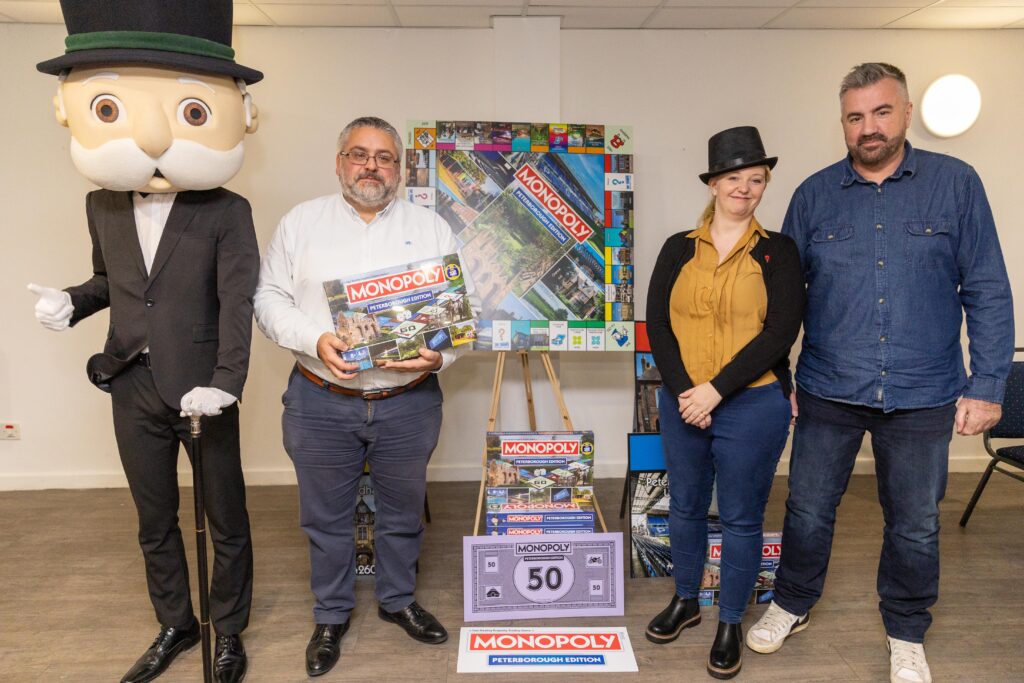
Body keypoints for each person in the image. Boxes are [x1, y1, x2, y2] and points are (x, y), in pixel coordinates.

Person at [746, 63, 1014, 683]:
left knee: (916, 523)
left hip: (925, 392)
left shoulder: (956, 184)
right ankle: (792, 603)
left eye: (881, 112)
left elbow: (989, 289)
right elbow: (783, 301)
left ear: (907, 112)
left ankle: (906, 628)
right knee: (809, 508)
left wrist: (988, 384)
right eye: (855, 116)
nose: (869, 127)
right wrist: (779, 380)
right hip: (828, 387)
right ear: (842, 122)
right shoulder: (813, 195)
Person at [27, 2, 262, 682]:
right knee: (153, 517)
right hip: (130, 381)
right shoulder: (101, 203)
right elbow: (113, 282)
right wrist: (72, 302)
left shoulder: (227, 210)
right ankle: (176, 624)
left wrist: (226, 380)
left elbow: (236, 303)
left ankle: (228, 629)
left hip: (204, 390)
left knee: (226, 517)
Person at [254, 116, 464, 678]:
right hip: (321, 399)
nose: (371, 165)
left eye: (384, 157)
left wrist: (440, 355)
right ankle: (331, 614)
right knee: (325, 518)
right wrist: (313, 338)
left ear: (400, 167)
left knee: (402, 513)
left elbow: (456, 315)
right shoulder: (301, 223)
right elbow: (269, 298)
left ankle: (398, 601)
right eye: (358, 154)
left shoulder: (432, 228)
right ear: (340, 161)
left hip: (409, 401)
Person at [645, 126, 805, 679]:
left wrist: (716, 390)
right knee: (685, 506)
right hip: (684, 400)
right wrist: (687, 390)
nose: (745, 188)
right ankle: (686, 600)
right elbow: (659, 324)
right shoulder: (677, 249)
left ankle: (731, 619)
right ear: (713, 184)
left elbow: (780, 331)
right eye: (734, 177)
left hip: (753, 404)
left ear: (764, 186)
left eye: (755, 179)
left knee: (740, 517)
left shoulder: (778, 252)